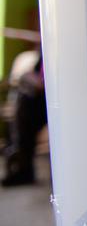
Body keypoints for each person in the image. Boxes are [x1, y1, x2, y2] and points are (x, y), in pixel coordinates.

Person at [2, 48, 46, 187]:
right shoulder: (44, 51)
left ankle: (23, 166)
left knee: (25, 109)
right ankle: (20, 162)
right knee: (22, 106)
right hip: (40, 96)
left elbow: (42, 81)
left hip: (51, 98)